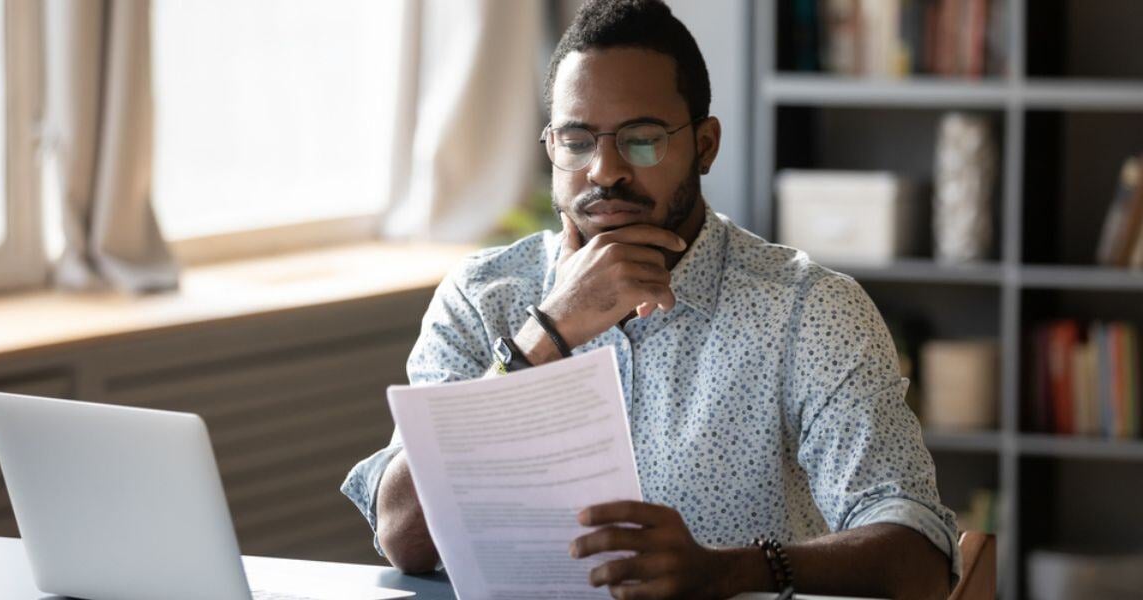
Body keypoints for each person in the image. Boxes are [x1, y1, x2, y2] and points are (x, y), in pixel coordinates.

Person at [343, 1, 958, 598]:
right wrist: (546, 335)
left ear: (705, 145)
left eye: (641, 139)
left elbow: (919, 555)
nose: (604, 170)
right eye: (578, 140)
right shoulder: (481, 299)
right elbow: (404, 535)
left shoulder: (808, 310)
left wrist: (729, 572)